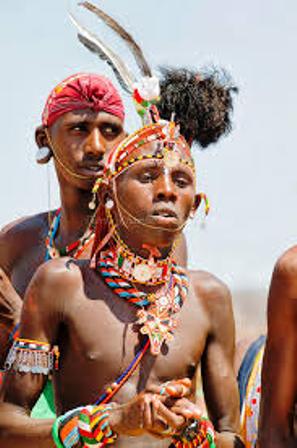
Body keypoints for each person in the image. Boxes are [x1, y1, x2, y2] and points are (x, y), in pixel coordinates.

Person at [0, 66, 242, 447]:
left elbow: (233, 436)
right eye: (147, 177)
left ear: (196, 204)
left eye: (180, 181)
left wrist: (193, 431)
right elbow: (8, 424)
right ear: (110, 188)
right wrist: (107, 422)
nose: (165, 191)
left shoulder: (206, 296)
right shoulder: (52, 276)